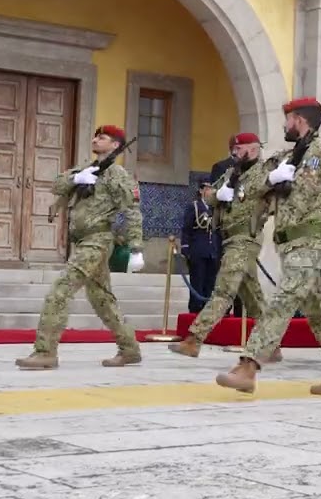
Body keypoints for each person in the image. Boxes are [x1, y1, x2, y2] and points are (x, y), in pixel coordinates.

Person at [214, 97, 321, 394]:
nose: (284, 125)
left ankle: (248, 366)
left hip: (311, 242)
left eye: (287, 119)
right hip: (287, 246)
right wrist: (270, 179)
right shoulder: (284, 159)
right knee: (317, 311)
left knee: (283, 298)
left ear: (299, 120)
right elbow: (249, 190)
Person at [17, 125, 145, 370]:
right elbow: (56, 185)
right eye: (95, 135)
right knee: (102, 300)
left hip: (97, 241)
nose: (96, 139)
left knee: (61, 290)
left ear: (116, 145)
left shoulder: (118, 176)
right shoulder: (88, 168)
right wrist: (77, 178)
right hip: (82, 242)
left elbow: (132, 212)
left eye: (102, 137)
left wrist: (136, 248)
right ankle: (129, 349)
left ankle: (46, 351)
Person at [168, 133, 278, 362]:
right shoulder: (230, 173)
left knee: (224, 289)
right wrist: (219, 194)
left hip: (246, 237)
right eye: (234, 148)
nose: (235, 152)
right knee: (253, 297)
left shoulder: (264, 172)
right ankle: (273, 345)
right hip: (227, 239)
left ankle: (194, 339)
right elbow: (207, 196)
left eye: (240, 149)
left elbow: (267, 193)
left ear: (254, 150)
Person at [179, 181, 220, 314]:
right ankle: (195, 310)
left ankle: (207, 311)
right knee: (197, 282)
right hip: (198, 250)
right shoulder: (195, 206)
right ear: (202, 190)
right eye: (209, 189)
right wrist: (185, 248)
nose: (211, 191)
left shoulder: (215, 208)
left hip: (212, 252)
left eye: (212, 188)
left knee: (210, 283)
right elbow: (186, 229)